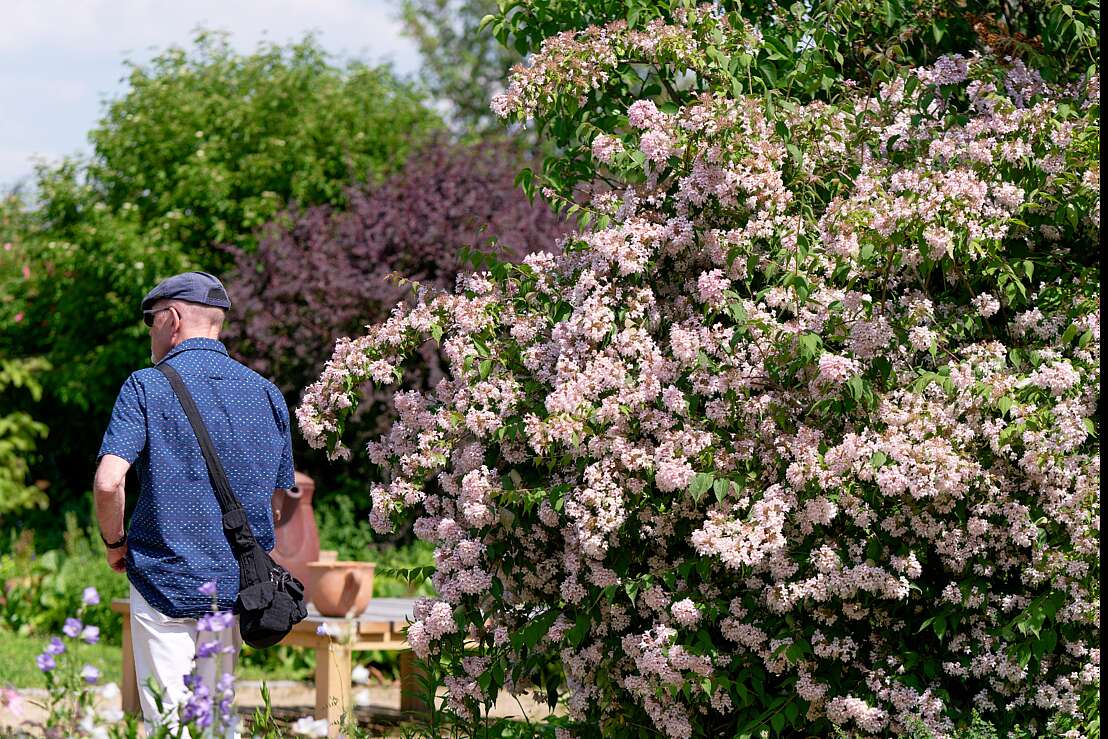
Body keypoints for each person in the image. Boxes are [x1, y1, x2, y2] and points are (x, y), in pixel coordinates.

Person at [92, 271, 294, 735]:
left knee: (166, 719)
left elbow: (108, 483)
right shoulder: (265, 393)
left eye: (151, 322)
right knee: (217, 716)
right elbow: (278, 503)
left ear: (173, 319)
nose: (151, 334)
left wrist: (114, 541)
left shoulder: (145, 386)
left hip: (162, 575)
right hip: (235, 584)